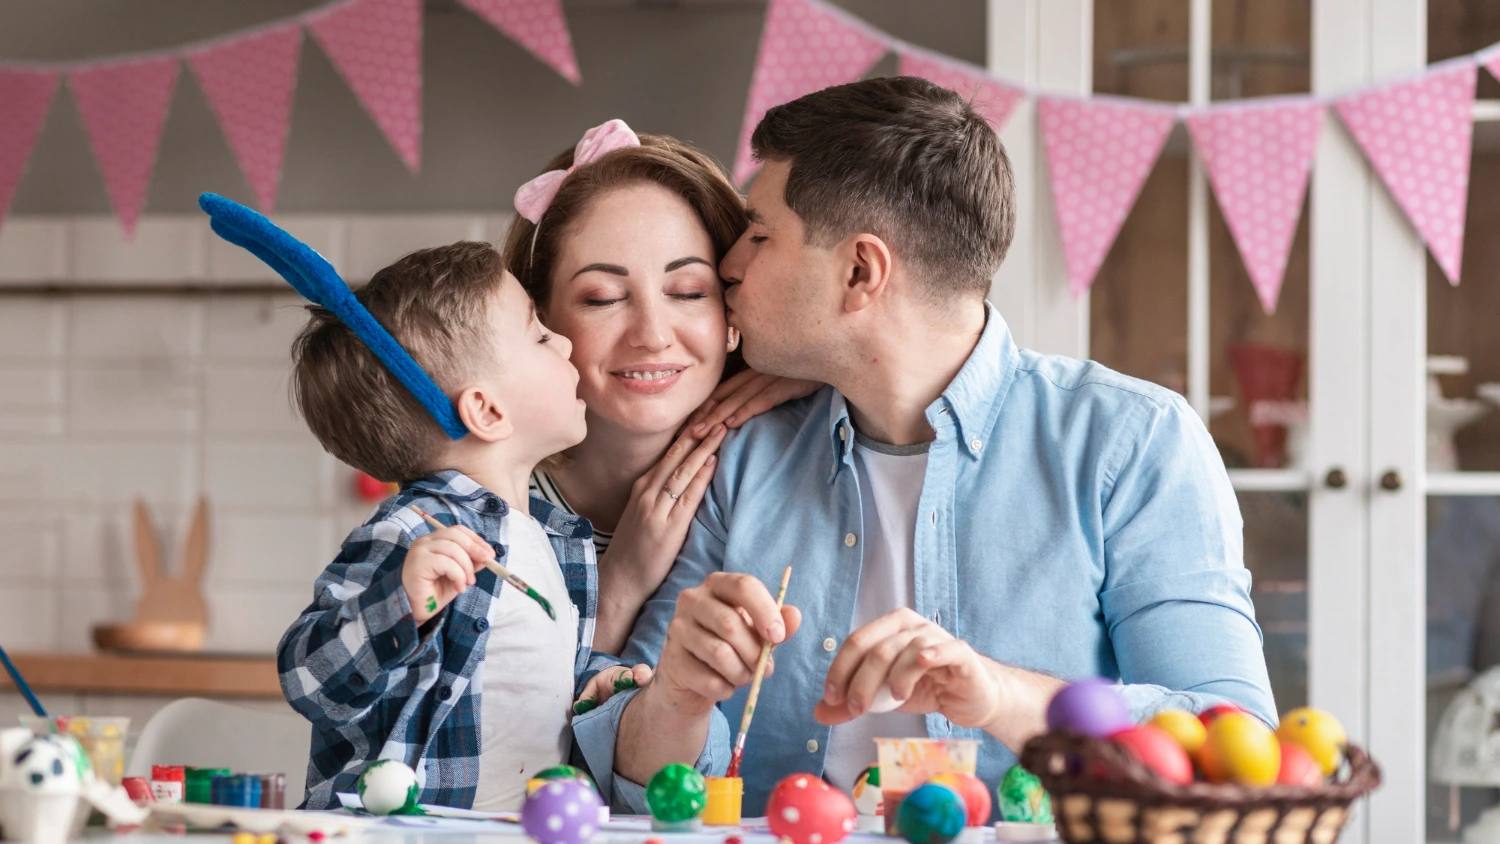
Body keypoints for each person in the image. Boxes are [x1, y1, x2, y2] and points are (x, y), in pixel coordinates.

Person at [572, 77, 1277, 816]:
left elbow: (1234, 743)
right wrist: (677, 699)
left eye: (759, 234)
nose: (728, 266)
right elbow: (625, 771)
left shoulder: (1130, 443)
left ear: (859, 272)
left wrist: (1000, 695)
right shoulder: (743, 452)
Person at [277, 242, 632, 811]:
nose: (564, 341)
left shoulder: (552, 540)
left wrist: (599, 681)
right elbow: (306, 677)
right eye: (540, 335)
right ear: (487, 411)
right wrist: (398, 606)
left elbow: (520, 671)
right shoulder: (418, 530)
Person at [501, 121, 812, 657]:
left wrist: (814, 366)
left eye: (689, 292)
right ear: (539, 318)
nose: (652, 336)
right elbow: (497, 727)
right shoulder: (489, 509)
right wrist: (620, 583)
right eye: (601, 298)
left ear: (732, 304)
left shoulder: (792, 458)